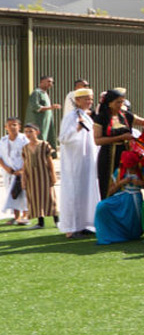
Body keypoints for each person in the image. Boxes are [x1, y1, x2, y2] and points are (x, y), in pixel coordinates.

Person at [57, 88, 100, 237]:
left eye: (91, 99)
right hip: (75, 163)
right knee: (74, 193)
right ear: (78, 101)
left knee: (85, 192)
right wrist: (77, 128)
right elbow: (63, 138)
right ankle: (71, 228)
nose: (89, 102)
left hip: (87, 161)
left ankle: (84, 224)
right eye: (86, 99)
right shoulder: (71, 117)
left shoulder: (86, 116)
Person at [94, 146, 144, 244]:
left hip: (135, 199)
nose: (130, 168)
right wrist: (121, 183)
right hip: (122, 196)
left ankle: (133, 233)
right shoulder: (119, 171)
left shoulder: (143, 171)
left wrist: (141, 184)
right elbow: (110, 191)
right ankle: (110, 234)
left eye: (132, 166)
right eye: (128, 166)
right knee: (102, 206)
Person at [92, 88, 135, 199]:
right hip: (108, 156)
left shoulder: (126, 116)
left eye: (122, 102)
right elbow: (97, 140)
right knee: (108, 184)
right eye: (118, 102)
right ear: (109, 103)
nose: (121, 104)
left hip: (125, 156)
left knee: (125, 183)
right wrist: (120, 137)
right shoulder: (101, 118)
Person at [18, 122, 55, 229]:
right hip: (31, 177)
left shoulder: (44, 144)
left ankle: (57, 220)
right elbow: (25, 164)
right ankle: (40, 222)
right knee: (35, 198)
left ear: (37, 132)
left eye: (30, 131)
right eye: (26, 132)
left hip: (44, 175)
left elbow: (50, 161)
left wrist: (53, 175)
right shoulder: (25, 148)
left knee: (50, 197)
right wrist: (23, 179)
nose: (28, 134)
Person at [1, 117, 28, 224]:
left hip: (23, 172)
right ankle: (16, 217)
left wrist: (22, 169)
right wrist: (6, 168)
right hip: (9, 173)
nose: (12, 127)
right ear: (5, 127)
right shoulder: (3, 140)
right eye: (10, 125)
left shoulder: (24, 139)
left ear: (19, 127)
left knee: (24, 194)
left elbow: (29, 156)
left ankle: (25, 216)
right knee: (13, 194)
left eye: (15, 125)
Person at [26, 76, 60, 147]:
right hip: (39, 122)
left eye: (52, 82)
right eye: (48, 81)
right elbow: (36, 107)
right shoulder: (36, 93)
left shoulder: (45, 94)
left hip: (46, 122)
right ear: (41, 82)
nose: (50, 84)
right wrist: (51, 107)